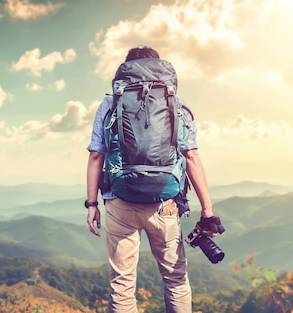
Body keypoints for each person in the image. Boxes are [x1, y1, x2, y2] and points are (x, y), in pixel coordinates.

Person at [85, 45, 223, 313]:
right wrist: (208, 212)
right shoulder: (177, 104)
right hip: (166, 203)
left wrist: (92, 204)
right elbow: (191, 156)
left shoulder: (110, 103)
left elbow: (95, 157)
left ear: (126, 71)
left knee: (123, 284)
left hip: (120, 201)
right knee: (175, 279)